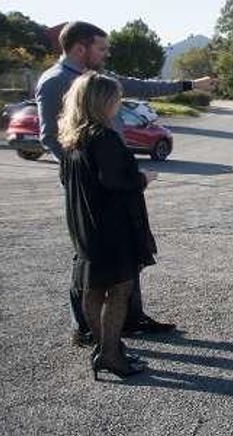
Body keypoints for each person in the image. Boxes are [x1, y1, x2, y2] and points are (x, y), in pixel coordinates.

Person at [35, 21, 216, 345]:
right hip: (91, 187)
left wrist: (191, 84)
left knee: (127, 250)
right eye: (101, 48)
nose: (107, 54)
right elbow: (49, 137)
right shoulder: (54, 83)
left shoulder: (100, 79)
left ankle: (131, 318)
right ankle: (86, 328)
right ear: (80, 48)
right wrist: (81, 176)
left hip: (118, 177)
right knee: (88, 256)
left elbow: (143, 87)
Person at [58, 72, 156, 379]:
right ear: (102, 101)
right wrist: (143, 179)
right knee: (119, 287)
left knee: (94, 286)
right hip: (109, 224)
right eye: (116, 98)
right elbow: (114, 181)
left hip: (84, 223)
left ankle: (104, 348)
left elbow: (67, 180)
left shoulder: (72, 138)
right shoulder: (105, 137)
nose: (119, 103)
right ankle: (110, 353)